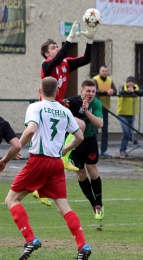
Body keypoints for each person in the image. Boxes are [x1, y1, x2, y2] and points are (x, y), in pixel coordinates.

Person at [4, 77, 92, 260]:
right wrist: (65, 149)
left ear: (40, 91)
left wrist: (18, 145)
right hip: (55, 164)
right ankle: (82, 245)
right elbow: (80, 136)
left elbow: (31, 129)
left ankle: (30, 239)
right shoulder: (65, 111)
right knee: (63, 207)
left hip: (38, 161)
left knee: (11, 200)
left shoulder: (35, 107)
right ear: (57, 92)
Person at [33, 21, 98, 206]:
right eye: (54, 47)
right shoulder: (47, 64)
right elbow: (58, 57)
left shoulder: (66, 63)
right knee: (47, 154)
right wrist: (69, 39)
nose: (58, 49)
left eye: (58, 46)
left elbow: (86, 59)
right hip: (47, 109)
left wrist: (90, 40)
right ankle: (58, 162)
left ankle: (63, 156)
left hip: (59, 108)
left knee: (80, 127)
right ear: (47, 53)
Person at [66, 79, 105, 222]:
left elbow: (100, 124)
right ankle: (93, 204)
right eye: (88, 91)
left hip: (89, 140)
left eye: (93, 91)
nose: (90, 94)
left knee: (92, 170)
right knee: (81, 174)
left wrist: (87, 111)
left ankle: (99, 204)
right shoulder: (72, 102)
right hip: (74, 142)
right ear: (81, 91)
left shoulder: (96, 103)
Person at [117, 76, 143, 157]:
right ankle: (133, 139)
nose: (130, 83)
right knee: (126, 131)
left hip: (131, 113)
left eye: (132, 82)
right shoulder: (122, 87)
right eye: (129, 82)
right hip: (122, 113)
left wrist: (134, 91)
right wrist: (132, 93)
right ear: (126, 82)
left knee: (125, 133)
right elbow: (121, 93)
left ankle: (122, 150)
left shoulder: (136, 88)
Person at [93, 65, 117, 158]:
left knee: (105, 130)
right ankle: (94, 150)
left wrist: (112, 91)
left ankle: (103, 151)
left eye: (106, 71)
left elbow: (115, 90)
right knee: (94, 130)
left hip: (105, 108)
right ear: (100, 71)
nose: (104, 72)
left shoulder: (110, 80)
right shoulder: (95, 79)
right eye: (103, 71)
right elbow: (95, 90)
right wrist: (106, 92)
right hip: (96, 108)